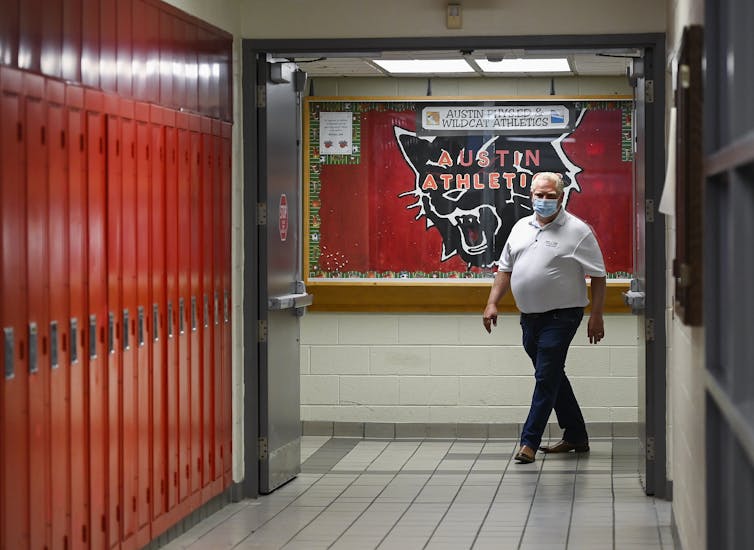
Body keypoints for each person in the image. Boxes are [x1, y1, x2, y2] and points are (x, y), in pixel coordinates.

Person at [482, 171, 606, 464]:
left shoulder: (578, 231)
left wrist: (596, 316)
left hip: (562, 316)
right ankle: (576, 435)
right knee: (551, 376)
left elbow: (599, 276)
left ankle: (529, 442)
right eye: (540, 195)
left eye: (551, 196)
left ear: (561, 197)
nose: (544, 200)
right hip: (529, 318)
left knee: (545, 376)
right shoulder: (520, 227)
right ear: (531, 196)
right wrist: (492, 303)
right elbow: (505, 269)